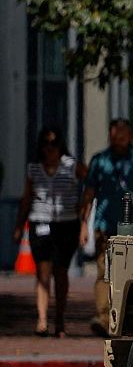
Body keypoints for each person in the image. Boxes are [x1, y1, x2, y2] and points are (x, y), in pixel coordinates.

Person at [82, 118, 133, 336]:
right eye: (114, 137)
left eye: (122, 137)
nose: (117, 141)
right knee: (104, 272)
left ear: (130, 136)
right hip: (105, 226)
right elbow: (89, 194)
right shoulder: (100, 161)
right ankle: (104, 318)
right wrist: (83, 227)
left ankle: (130, 317)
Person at [11, 128, 87, 337]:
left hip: (66, 224)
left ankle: (60, 320)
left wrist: (83, 216)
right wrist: (19, 225)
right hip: (40, 223)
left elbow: (91, 183)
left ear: (60, 145)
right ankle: (42, 320)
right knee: (43, 273)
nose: (50, 148)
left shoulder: (71, 166)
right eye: (46, 143)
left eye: (54, 143)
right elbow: (26, 199)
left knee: (61, 272)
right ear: (41, 146)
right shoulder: (34, 169)